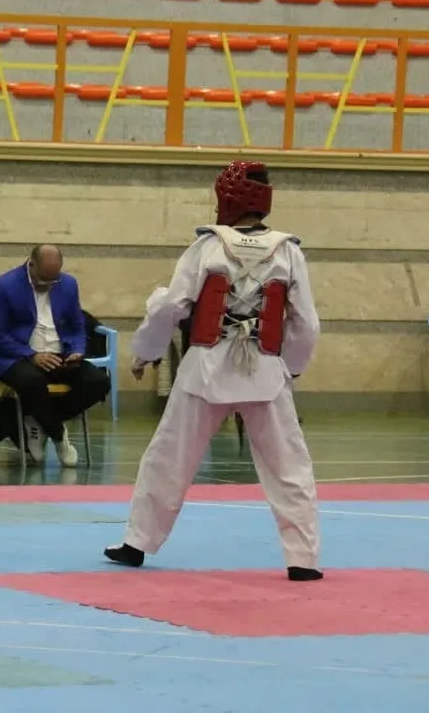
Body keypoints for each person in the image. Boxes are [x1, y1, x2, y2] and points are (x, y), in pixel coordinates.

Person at [103, 161, 323, 581]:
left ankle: (136, 543)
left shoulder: (207, 247)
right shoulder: (288, 251)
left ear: (227, 198)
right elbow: (307, 323)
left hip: (205, 368)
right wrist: (292, 367)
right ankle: (302, 560)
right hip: (265, 372)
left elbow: (170, 306)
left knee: (168, 458)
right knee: (289, 468)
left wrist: (146, 351)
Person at [0, 244, 109, 466]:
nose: (47, 285)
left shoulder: (68, 284)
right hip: (19, 357)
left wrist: (77, 350)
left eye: (53, 280)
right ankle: (58, 434)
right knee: (32, 381)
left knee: (99, 382)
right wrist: (31, 355)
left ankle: (39, 420)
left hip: (60, 354)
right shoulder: (5, 286)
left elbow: (78, 325)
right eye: (42, 279)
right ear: (31, 264)